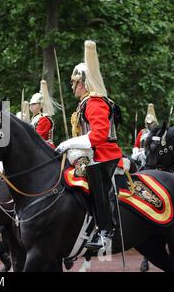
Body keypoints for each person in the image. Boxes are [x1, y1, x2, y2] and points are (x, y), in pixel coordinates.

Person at [56, 40, 123, 251]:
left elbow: (98, 135)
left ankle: (105, 231)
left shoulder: (95, 102)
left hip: (105, 155)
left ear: (83, 83)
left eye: (74, 82)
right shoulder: (85, 102)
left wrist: (67, 143)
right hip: (92, 152)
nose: (72, 86)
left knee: (93, 176)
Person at [29, 80, 56, 148]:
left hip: (45, 148)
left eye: (34, 104)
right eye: (30, 104)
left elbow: (38, 137)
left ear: (41, 105)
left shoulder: (43, 119)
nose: (31, 106)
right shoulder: (34, 119)